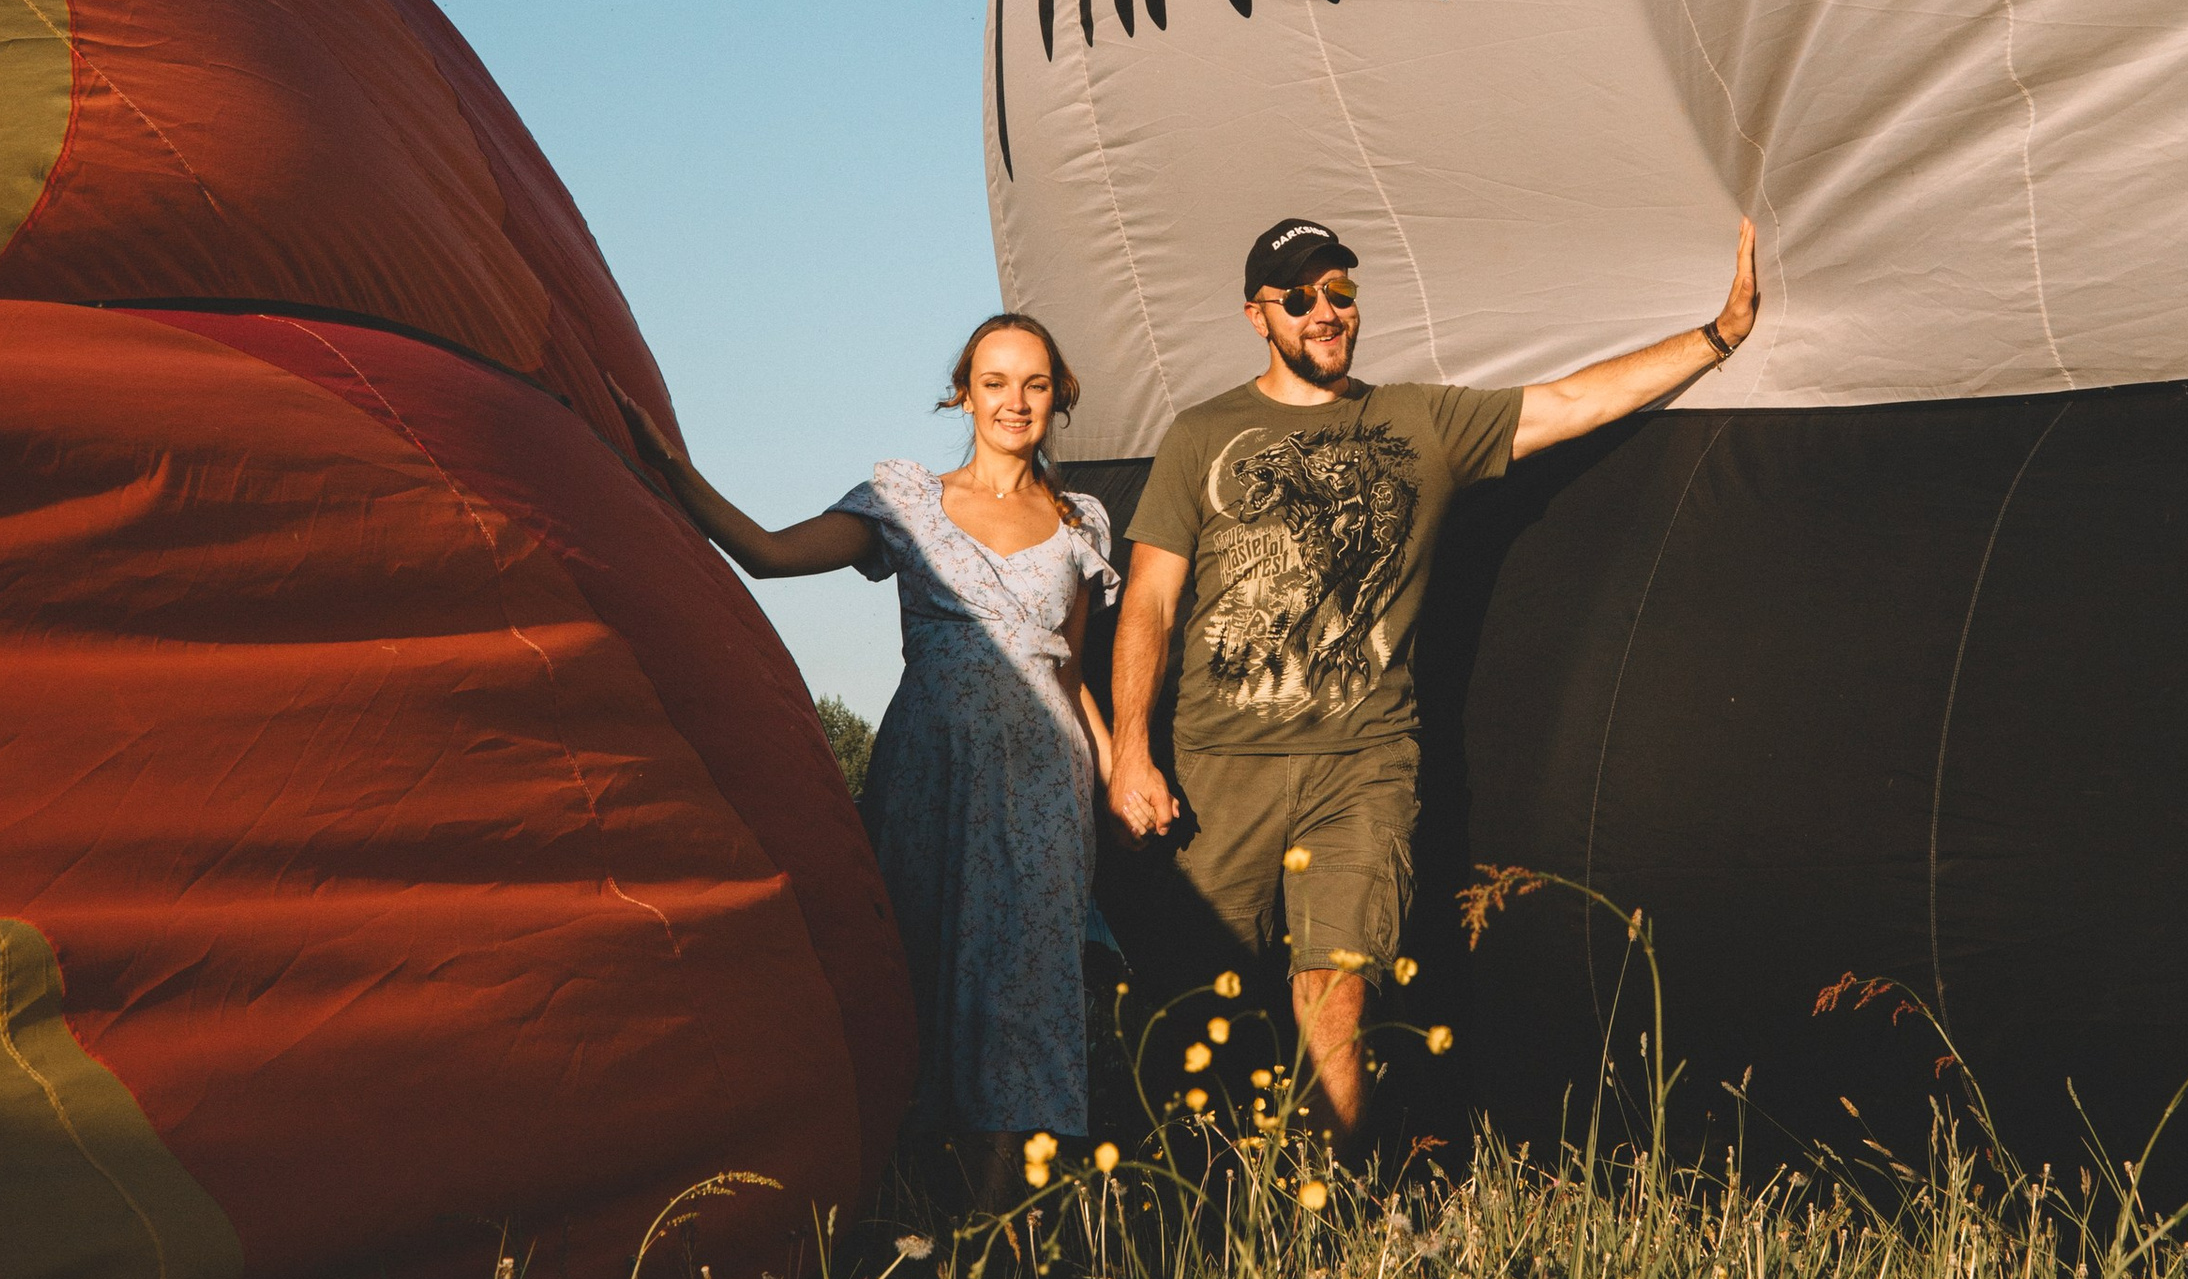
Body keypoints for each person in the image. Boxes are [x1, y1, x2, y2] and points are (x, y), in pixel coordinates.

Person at [1107, 211, 1762, 1160]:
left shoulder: (1418, 420)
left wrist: (1717, 336)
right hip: (1219, 770)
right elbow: (1152, 606)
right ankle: (1188, 1214)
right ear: (1259, 315)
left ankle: (1322, 1223)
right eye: (1301, 296)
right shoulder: (1202, 435)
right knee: (1197, 1004)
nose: (1326, 312)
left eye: (1341, 292)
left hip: (1361, 770)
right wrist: (1131, 747)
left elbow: (1571, 403)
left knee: (1336, 994)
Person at [623, 316, 1118, 1217]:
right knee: (918, 974)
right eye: (996, 381)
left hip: (1047, 783)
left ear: (1058, 396)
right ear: (963, 392)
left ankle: (995, 1232)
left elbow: (1070, 670)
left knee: (1022, 991)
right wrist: (673, 469)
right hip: (933, 767)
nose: (1015, 402)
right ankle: (901, 1218)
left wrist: (1122, 768)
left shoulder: (1080, 521)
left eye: (1035, 383)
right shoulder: (906, 500)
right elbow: (771, 557)